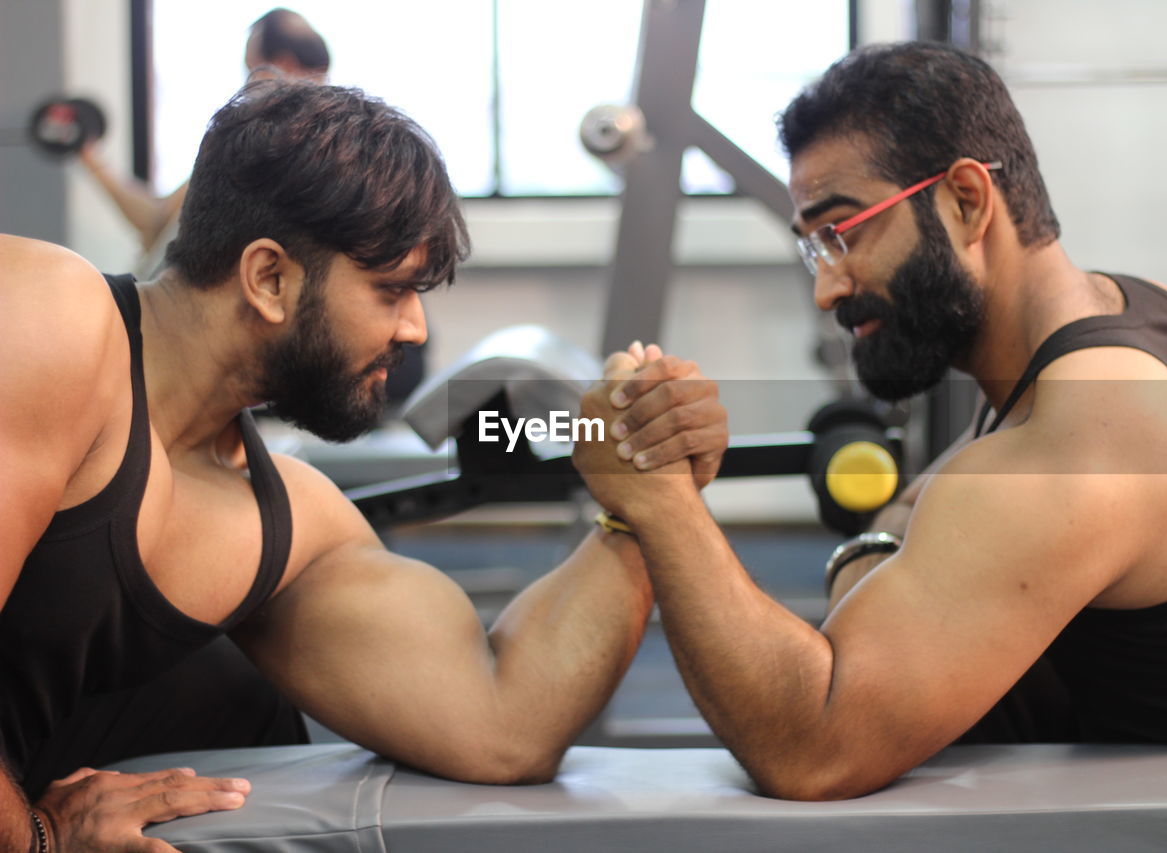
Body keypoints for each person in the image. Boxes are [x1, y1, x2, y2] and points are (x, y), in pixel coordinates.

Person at [0, 80, 727, 851]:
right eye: (392, 290)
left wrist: (646, 499)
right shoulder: (49, 317)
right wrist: (39, 839)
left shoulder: (286, 520)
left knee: (233, 701)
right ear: (269, 278)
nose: (415, 327)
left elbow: (502, 724)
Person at [572, 41, 1167, 801]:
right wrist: (899, 532)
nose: (828, 286)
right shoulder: (1140, 311)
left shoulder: (1079, 447)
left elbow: (811, 750)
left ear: (967, 201)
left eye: (843, 232)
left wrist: (657, 498)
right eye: (816, 249)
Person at [78, 8, 330, 279]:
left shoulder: (296, 152)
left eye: (253, 70)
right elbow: (158, 223)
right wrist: (89, 156)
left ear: (284, 65)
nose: (249, 86)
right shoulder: (244, 152)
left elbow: (156, 224)